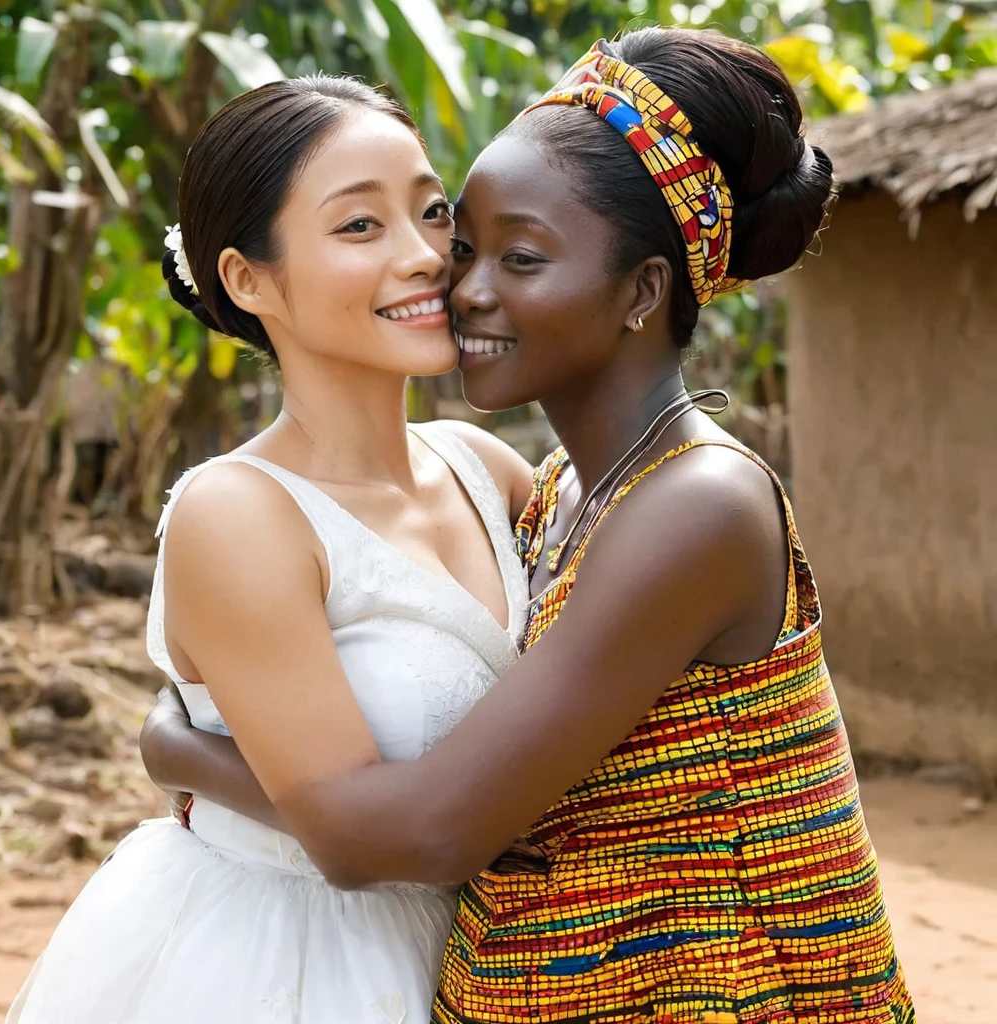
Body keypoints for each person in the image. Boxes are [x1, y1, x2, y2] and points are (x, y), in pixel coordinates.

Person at [142, 27, 916, 1024]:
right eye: (462, 243)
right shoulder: (549, 495)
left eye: (518, 256)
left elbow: (425, 830)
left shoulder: (695, 506)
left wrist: (178, 747)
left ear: (642, 289)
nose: (452, 280)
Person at [6, 74, 536, 1024]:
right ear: (248, 279)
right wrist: (179, 754)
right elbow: (351, 835)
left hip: (494, 956)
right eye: (359, 227)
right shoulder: (240, 514)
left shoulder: (487, 468)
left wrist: (177, 749)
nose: (424, 256)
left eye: (431, 211)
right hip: (288, 967)